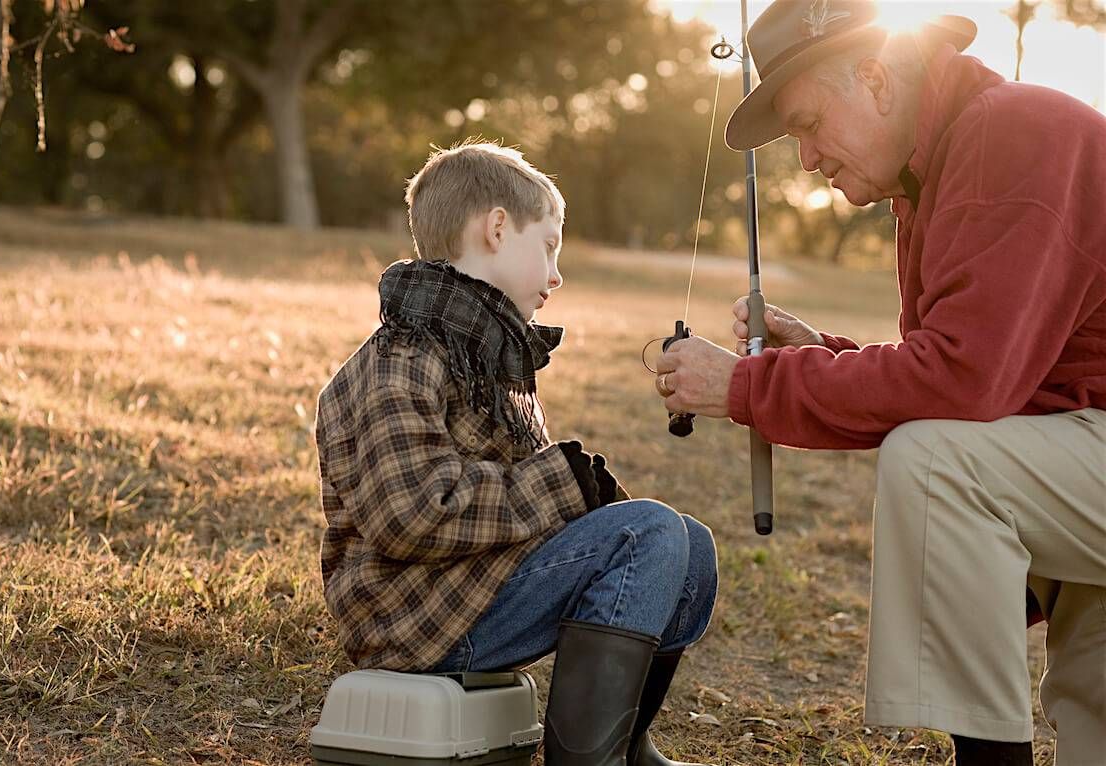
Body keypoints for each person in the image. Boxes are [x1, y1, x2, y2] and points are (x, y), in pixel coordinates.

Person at [653, 2, 1106, 765]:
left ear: (873, 77)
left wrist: (748, 386)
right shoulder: (940, 166)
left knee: (936, 464)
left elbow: (962, 382)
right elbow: (980, 365)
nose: (804, 159)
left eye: (806, 123)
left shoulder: (1007, 132)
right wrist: (820, 352)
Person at [315, 140, 719, 766]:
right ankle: (584, 761)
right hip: (414, 616)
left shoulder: (491, 359)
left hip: (472, 592)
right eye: (550, 245)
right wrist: (560, 486)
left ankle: (625, 746)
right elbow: (410, 516)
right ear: (498, 229)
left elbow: (515, 510)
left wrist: (583, 506)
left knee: (688, 545)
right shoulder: (401, 359)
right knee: (649, 533)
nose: (557, 274)